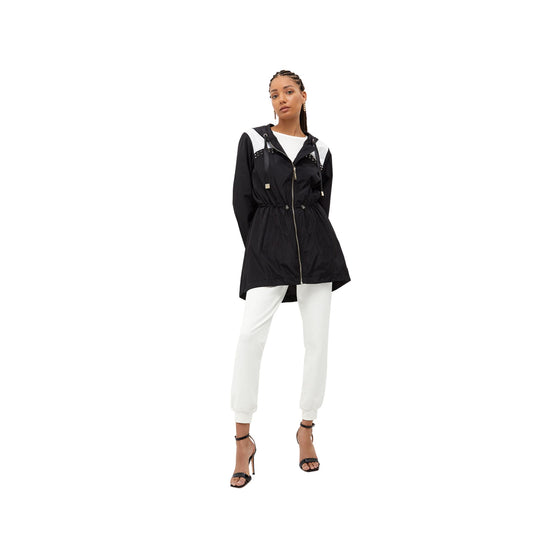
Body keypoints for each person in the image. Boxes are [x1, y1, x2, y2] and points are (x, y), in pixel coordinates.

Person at [229, 69, 351, 487]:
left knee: (317, 342)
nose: (280, 99)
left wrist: (307, 239)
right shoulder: (253, 140)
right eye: (273, 94)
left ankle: (306, 428)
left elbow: (322, 206)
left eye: (288, 91)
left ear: (303, 95)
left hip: (317, 251)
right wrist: (261, 244)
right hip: (266, 248)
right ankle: (242, 439)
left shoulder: (322, 149)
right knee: (249, 339)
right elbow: (241, 201)